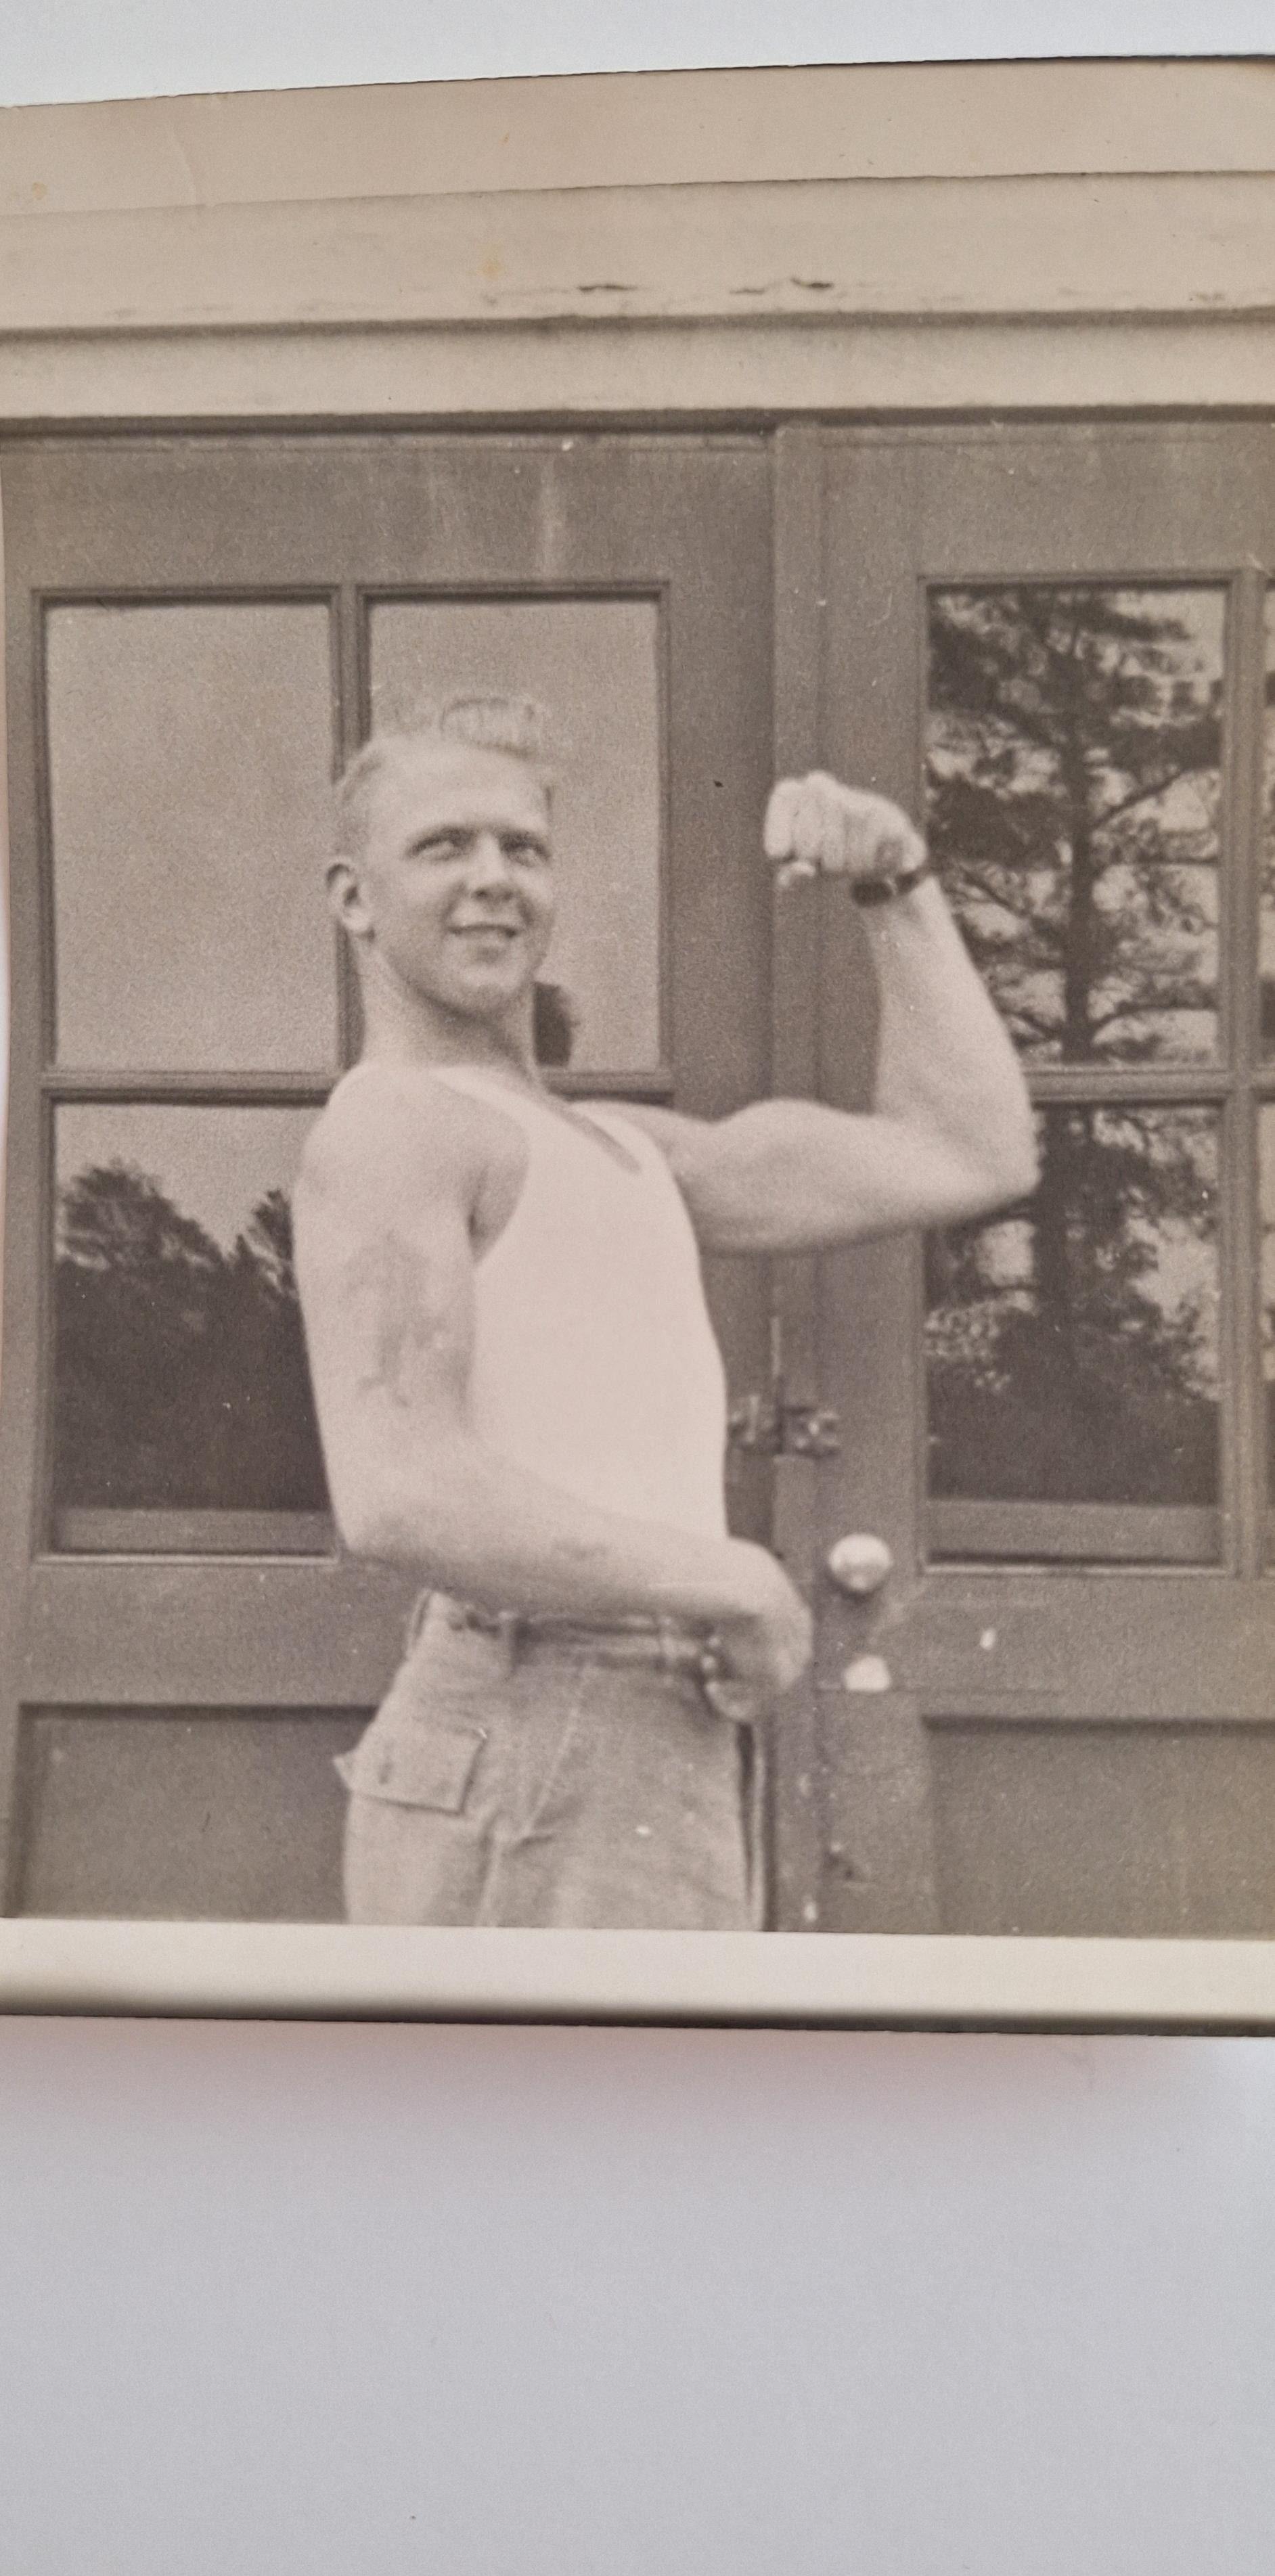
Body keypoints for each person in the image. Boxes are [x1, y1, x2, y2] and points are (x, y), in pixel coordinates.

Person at [292, 694, 1036, 1931]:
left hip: (645, 1723)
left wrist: (897, 883)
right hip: (536, 1703)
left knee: (648, 2122)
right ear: (355, 899)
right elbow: (399, 1490)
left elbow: (967, 1151)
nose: (492, 881)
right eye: (443, 846)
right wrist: (732, 1581)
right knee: (559, 2125)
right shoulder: (396, 1124)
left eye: (522, 849)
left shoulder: (626, 1151)